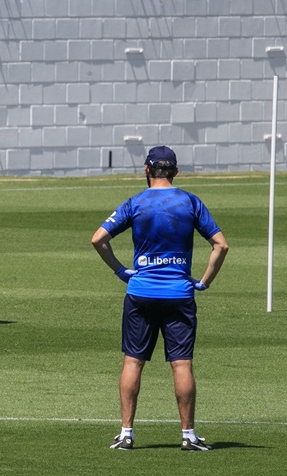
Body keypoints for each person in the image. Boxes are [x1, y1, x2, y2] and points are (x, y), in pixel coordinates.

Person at [91, 146, 229, 452]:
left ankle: (127, 433)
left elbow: (98, 239)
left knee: (133, 361)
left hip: (140, 292)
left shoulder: (135, 203)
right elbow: (220, 245)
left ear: (146, 170)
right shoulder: (190, 201)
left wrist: (120, 271)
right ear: (176, 172)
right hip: (179, 293)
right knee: (181, 365)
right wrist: (204, 282)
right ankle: (188, 436)